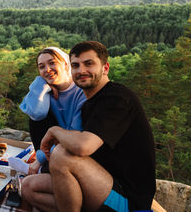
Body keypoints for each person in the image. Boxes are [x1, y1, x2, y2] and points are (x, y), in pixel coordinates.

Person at [39, 41, 156, 212]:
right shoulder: (90, 104)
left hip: (127, 198)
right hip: (101, 180)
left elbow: (82, 146)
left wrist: (54, 131)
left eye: (89, 63)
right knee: (29, 186)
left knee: (61, 154)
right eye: (75, 66)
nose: (81, 71)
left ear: (105, 68)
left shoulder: (117, 97)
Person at [19, 47, 86, 208]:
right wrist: (40, 84)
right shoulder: (46, 92)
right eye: (41, 67)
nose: (47, 69)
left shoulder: (81, 92)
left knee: (29, 186)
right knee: (26, 188)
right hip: (54, 153)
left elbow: (73, 136)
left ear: (65, 64)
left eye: (52, 63)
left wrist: (39, 159)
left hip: (76, 156)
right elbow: (35, 113)